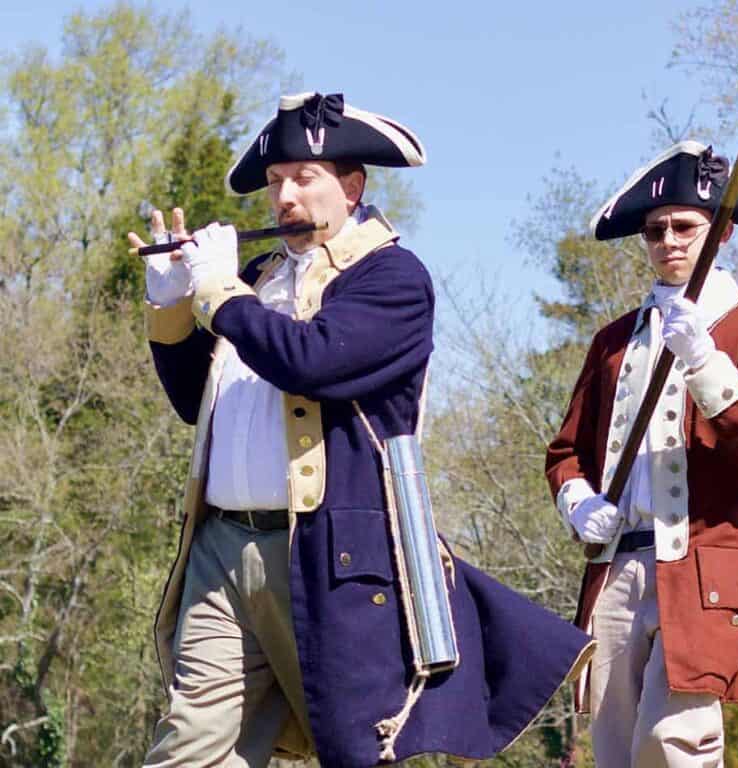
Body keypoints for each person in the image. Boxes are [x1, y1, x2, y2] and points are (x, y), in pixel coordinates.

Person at [135, 91, 593, 767]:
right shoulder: (258, 280)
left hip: (333, 558)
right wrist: (171, 301)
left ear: (352, 186)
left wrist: (216, 291)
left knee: (356, 752)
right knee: (189, 751)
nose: (284, 195)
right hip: (220, 545)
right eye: (274, 181)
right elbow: (193, 401)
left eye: (303, 177)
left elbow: (311, 361)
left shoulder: (393, 279)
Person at [544, 140, 738, 767]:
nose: (669, 241)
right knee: (615, 752)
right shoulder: (612, 340)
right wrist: (578, 502)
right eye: (656, 231)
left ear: (723, 231)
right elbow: (567, 449)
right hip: (617, 569)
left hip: (702, 574)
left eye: (686, 226)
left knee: (671, 746)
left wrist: (706, 363)